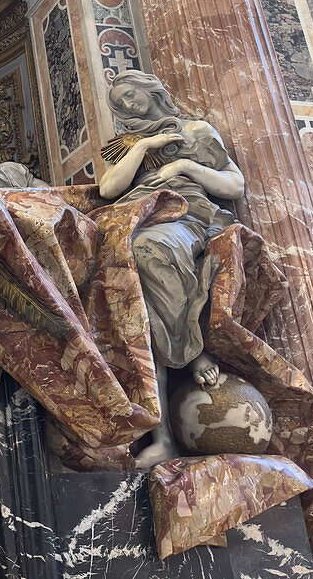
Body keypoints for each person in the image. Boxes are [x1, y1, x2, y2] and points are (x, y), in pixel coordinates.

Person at [97, 70, 245, 468]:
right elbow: (109, 190)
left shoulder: (195, 131)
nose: (128, 104)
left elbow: (234, 185)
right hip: (136, 218)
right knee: (137, 317)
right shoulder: (126, 145)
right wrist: (145, 145)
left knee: (147, 249)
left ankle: (191, 353)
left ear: (151, 90)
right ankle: (162, 434)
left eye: (131, 95)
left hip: (184, 216)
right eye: (120, 103)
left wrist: (183, 168)